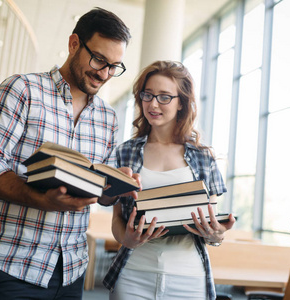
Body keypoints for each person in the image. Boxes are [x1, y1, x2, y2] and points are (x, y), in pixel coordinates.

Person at [0, 7, 138, 300]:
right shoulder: (21, 90)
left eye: (114, 66)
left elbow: (99, 192)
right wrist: (40, 199)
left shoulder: (108, 117)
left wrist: (116, 186)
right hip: (11, 266)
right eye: (99, 59)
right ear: (74, 44)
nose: (105, 73)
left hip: (71, 271)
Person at [103, 60, 236, 300]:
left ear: (182, 103)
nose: (153, 104)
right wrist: (127, 239)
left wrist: (215, 235)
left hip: (189, 278)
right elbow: (117, 221)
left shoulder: (203, 156)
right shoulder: (126, 152)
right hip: (133, 275)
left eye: (164, 97)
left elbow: (212, 227)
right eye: (148, 95)